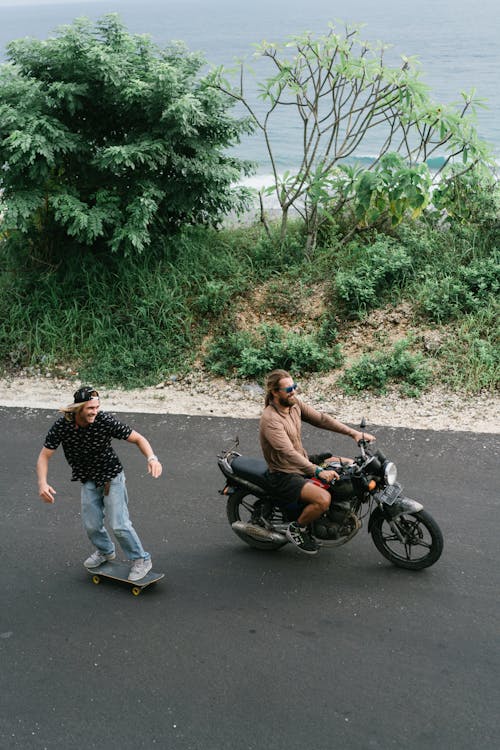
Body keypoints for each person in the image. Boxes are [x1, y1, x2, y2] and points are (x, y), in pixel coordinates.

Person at [36, 386, 163, 581]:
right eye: (90, 408)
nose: (95, 412)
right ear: (78, 408)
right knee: (92, 525)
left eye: (97, 407)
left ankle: (141, 559)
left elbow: (138, 438)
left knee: (119, 524)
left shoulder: (104, 421)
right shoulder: (62, 426)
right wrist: (42, 483)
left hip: (112, 477)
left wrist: (152, 458)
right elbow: (44, 456)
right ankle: (105, 551)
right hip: (88, 480)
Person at [259, 369, 376, 555]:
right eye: (289, 388)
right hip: (284, 473)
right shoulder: (271, 419)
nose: (294, 391)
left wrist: (353, 433)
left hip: (302, 461)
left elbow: (321, 419)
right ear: (274, 392)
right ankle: (297, 529)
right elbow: (288, 453)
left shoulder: (294, 404)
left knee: (351, 465)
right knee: (323, 499)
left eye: (294, 386)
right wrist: (317, 471)